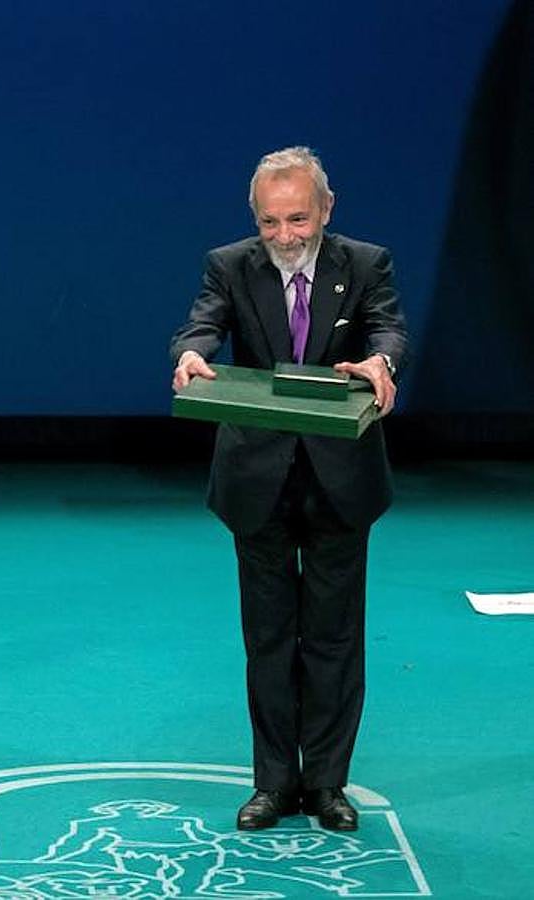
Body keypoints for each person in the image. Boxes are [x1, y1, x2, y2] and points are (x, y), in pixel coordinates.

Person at [169, 147, 407, 832]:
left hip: (341, 479)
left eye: (298, 219)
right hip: (257, 479)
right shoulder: (229, 263)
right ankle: (273, 784)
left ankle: (328, 785)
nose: (285, 236)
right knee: (269, 638)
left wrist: (381, 361)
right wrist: (191, 353)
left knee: (334, 636)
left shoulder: (365, 264)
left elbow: (390, 328)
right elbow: (203, 321)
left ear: (325, 210)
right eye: (270, 222)